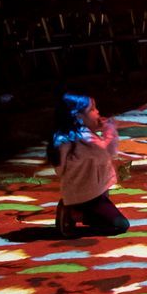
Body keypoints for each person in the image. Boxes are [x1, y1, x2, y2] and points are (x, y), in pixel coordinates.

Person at [48, 93, 130, 237]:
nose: (97, 112)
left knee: (104, 215)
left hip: (77, 192)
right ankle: (73, 215)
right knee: (120, 225)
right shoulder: (87, 140)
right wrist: (109, 129)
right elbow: (108, 151)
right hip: (89, 196)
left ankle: (72, 208)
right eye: (92, 109)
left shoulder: (66, 136)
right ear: (79, 117)